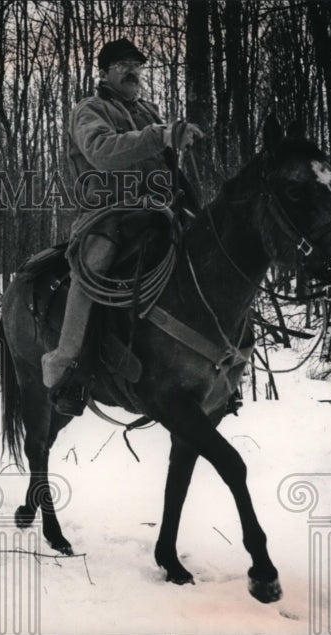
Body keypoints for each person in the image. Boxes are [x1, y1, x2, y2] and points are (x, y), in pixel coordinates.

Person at [42, 38, 204, 416]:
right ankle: (69, 367)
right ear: (103, 72)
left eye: (136, 65)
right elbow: (102, 151)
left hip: (158, 210)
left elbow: (164, 164)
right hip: (108, 214)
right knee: (92, 269)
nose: (132, 71)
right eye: (122, 65)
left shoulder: (148, 110)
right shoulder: (88, 110)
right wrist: (160, 135)